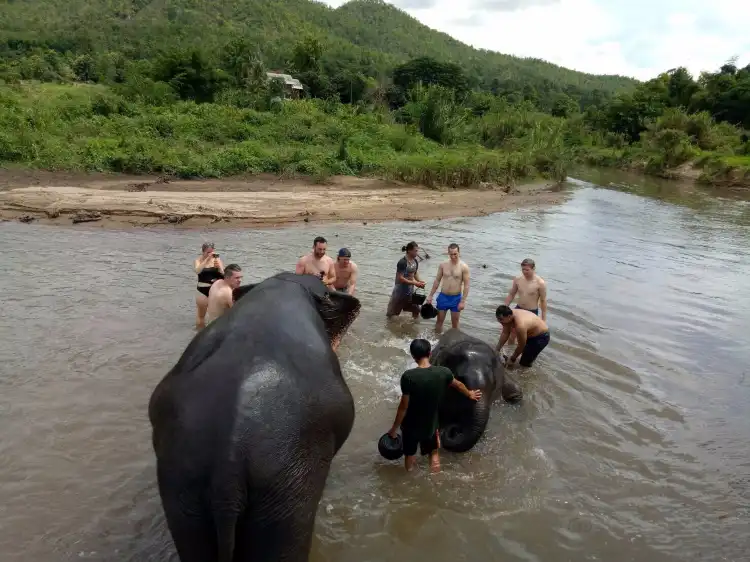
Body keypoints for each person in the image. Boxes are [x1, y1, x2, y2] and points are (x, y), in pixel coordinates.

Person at [387, 338, 482, 473]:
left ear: (413, 356)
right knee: (434, 453)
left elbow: (403, 407)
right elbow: (459, 385)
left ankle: (410, 479)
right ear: (430, 354)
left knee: (410, 455)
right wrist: (470, 394)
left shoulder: (408, 376)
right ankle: (436, 480)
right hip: (431, 424)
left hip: (410, 426)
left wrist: (393, 429)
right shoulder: (444, 372)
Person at [426, 243, 470, 331]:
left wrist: (463, 301)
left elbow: (466, 286)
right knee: (439, 322)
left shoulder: (464, 267)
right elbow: (437, 281)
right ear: (448, 253)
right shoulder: (443, 265)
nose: (453, 256)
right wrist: (430, 295)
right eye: (451, 254)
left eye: (455, 254)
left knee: (455, 324)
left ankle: (455, 343)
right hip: (443, 296)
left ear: (459, 253)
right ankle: (436, 341)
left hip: (456, 298)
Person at [504, 258, 547, 344]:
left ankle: (521, 354)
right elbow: (511, 294)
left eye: (527, 270)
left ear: (533, 269)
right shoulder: (518, 279)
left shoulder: (540, 283)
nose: (524, 272)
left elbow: (543, 301)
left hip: (531, 312)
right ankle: (509, 352)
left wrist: (543, 319)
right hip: (519, 309)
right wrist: (505, 307)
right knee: (512, 332)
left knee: (526, 337)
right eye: (523, 269)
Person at [386, 241, 426, 319]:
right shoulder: (402, 262)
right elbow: (400, 278)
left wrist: (419, 281)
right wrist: (415, 283)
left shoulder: (415, 261)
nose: (417, 253)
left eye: (417, 251)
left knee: (416, 310)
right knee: (392, 315)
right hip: (399, 292)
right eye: (415, 251)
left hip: (410, 292)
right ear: (409, 251)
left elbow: (415, 273)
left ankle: (413, 326)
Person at [194, 242, 224, 329]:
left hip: (215, 290)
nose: (210, 254)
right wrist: (206, 260)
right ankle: (199, 333)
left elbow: (224, 274)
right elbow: (197, 271)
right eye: (208, 252)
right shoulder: (198, 260)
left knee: (216, 315)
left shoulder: (217, 260)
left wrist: (219, 268)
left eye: (212, 252)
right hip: (202, 290)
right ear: (203, 252)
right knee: (201, 316)